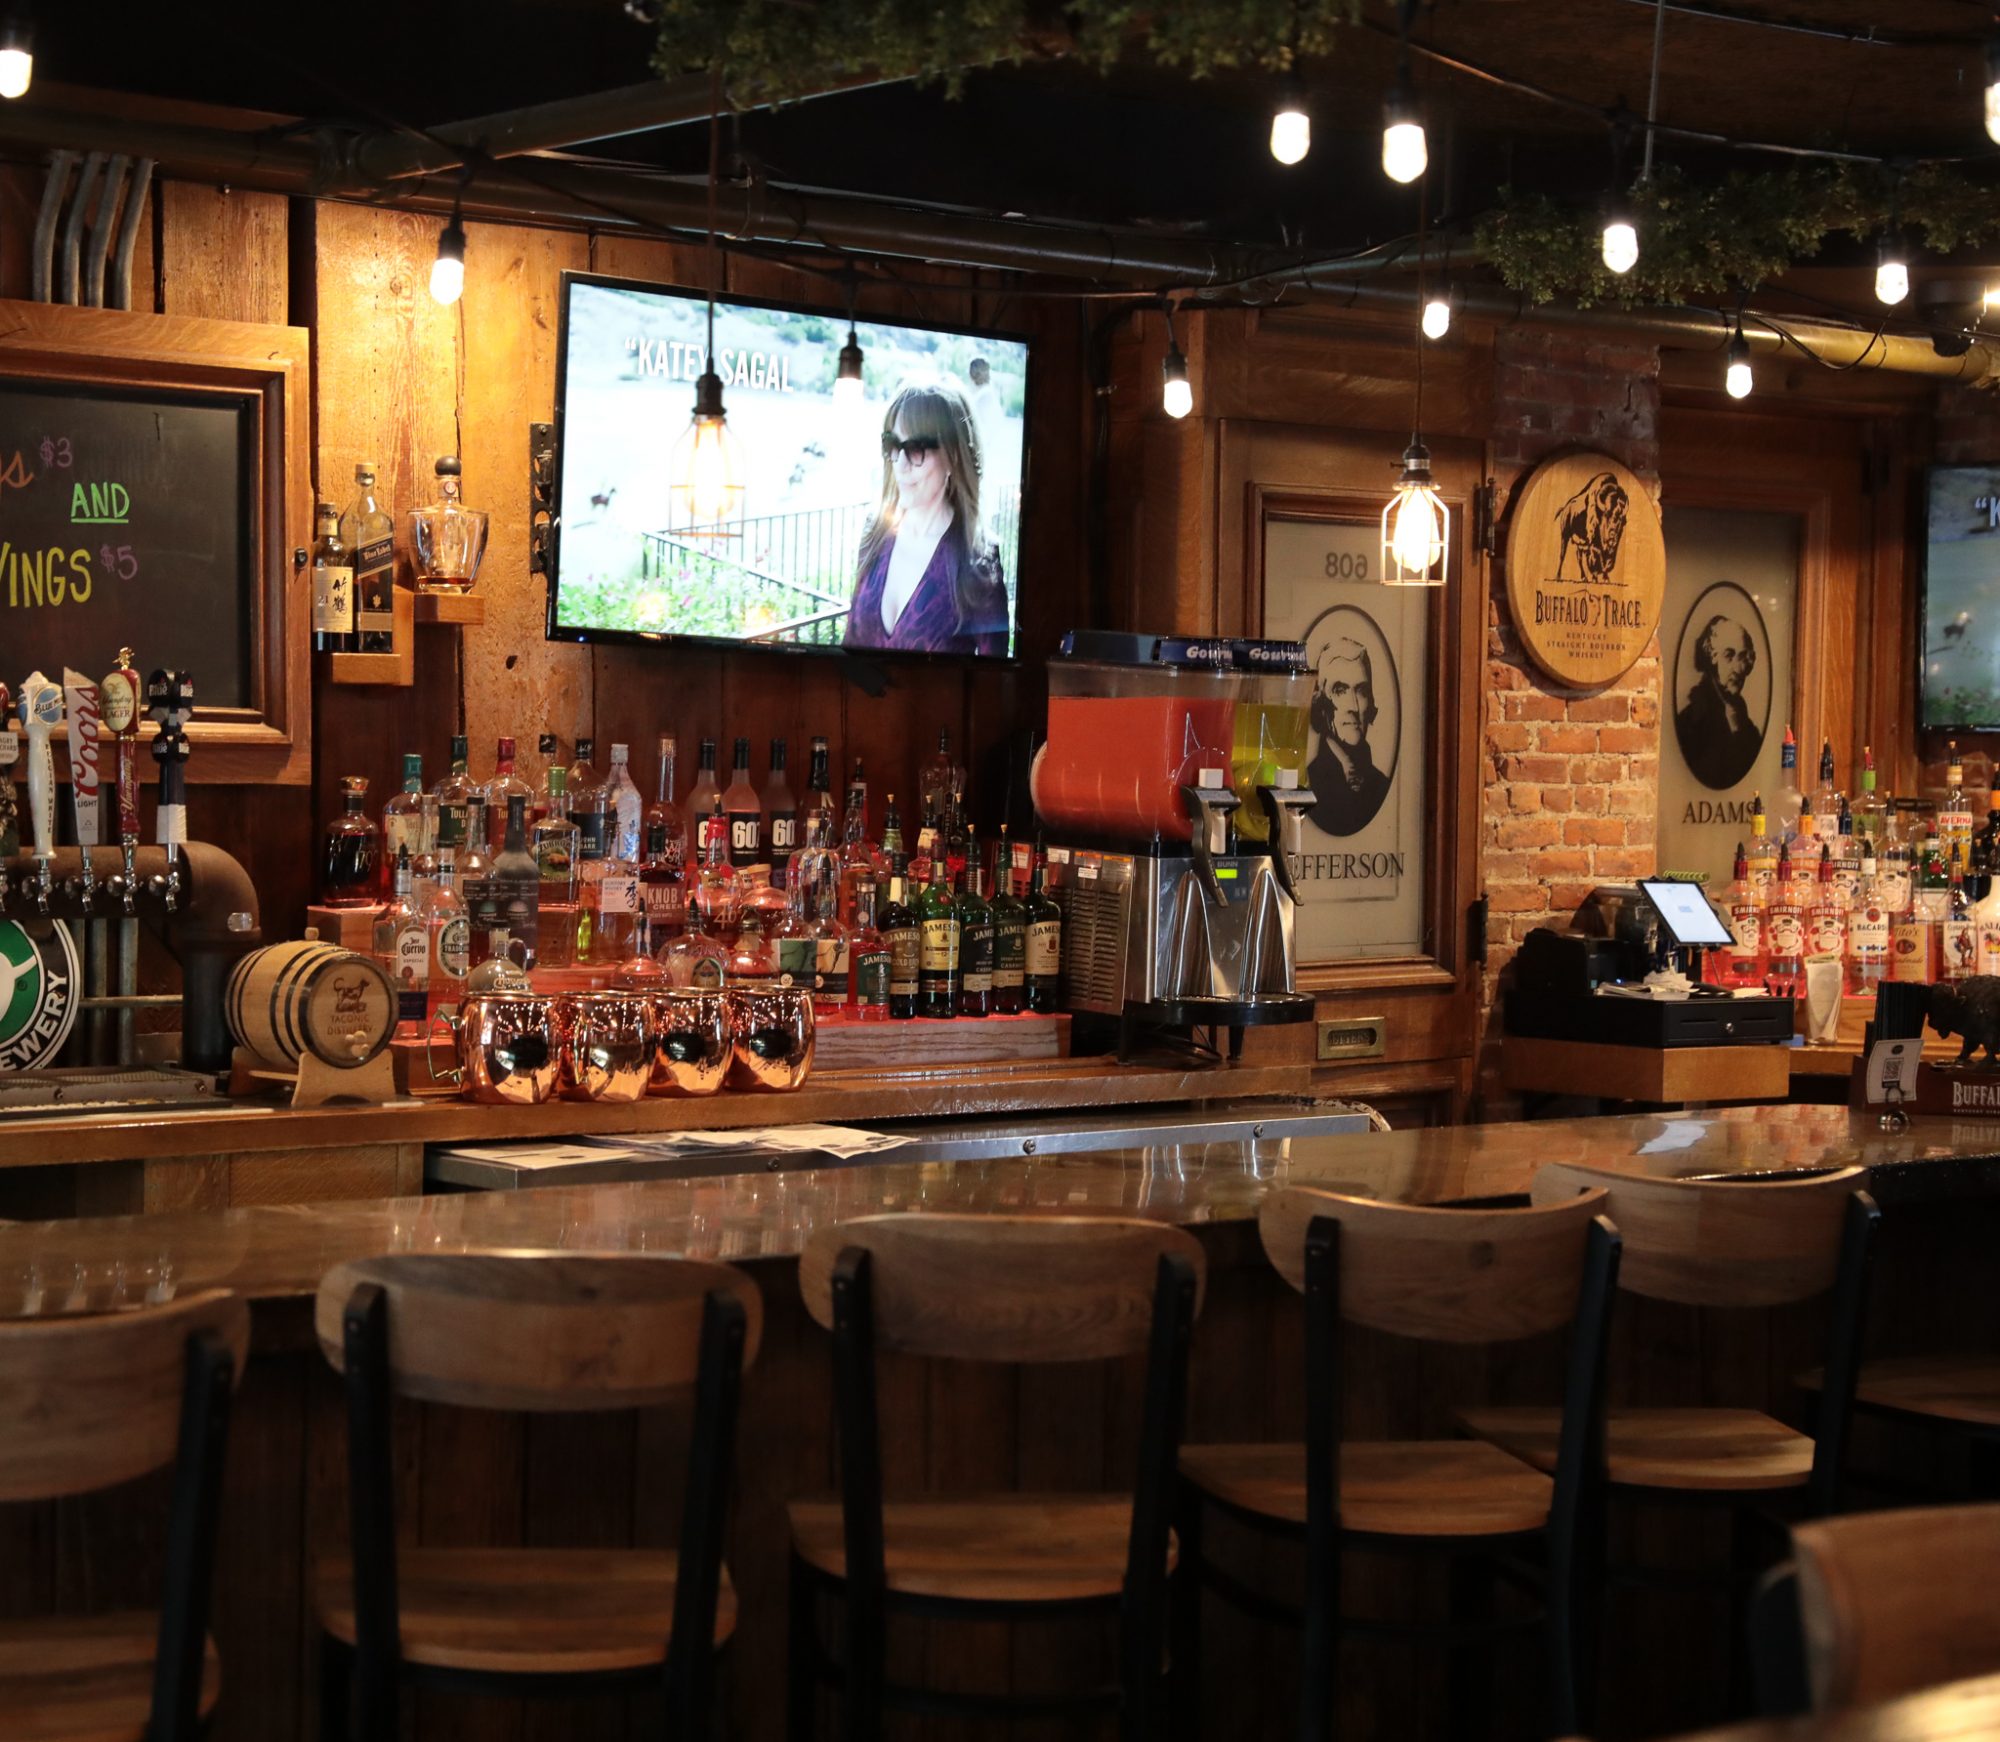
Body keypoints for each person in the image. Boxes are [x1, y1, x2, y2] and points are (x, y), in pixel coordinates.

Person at [843, 382, 1010, 656]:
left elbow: (995, 672)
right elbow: (849, 647)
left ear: (952, 456)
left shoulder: (978, 564)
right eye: (893, 444)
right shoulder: (875, 534)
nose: (900, 464)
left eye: (916, 448)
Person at [1305, 628, 1392, 837]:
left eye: (1362, 691)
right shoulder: (1307, 783)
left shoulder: (1381, 785)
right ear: (1321, 704)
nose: (1353, 706)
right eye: (1340, 691)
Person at [1675, 613, 1762, 790]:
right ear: (1712, 657)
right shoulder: (1691, 722)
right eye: (1729, 655)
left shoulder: (1745, 724)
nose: (1738, 668)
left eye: (1743, 656)